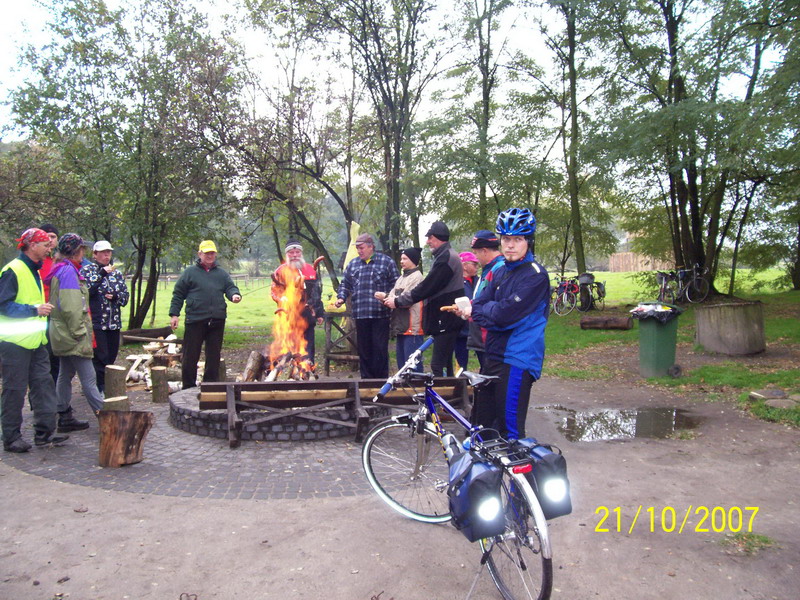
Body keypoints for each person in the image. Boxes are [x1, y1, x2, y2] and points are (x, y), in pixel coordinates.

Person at [468, 209, 550, 440]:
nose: (510, 245)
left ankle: (518, 465)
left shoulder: (535, 276)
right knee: (482, 428)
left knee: (509, 432)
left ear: (528, 241)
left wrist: (490, 312)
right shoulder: (501, 271)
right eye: (506, 239)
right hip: (493, 354)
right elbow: (479, 307)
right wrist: (491, 312)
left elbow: (503, 316)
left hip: (517, 358)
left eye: (518, 239)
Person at [0, 228, 68, 451]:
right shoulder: (13, 270)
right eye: (45, 244)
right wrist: (34, 310)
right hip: (14, 344)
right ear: (32, 245)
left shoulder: (34, 270)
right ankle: (11, 438)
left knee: (43, 387)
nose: (49, 248)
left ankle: (44, 433)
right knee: (14, 391)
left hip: (37, 343)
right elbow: (3, 304)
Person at [386, 221, 463, 377]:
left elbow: (426, 287)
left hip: (445, 318)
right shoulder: (445, 256)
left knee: (437, 365)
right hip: (446, 319)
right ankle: (450, 390)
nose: (428, 241)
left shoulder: (446, 258)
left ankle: (442, 391)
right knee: (446, 363)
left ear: (438, 238)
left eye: (430, 238)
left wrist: (398, 301)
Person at [45, 233, 104, 428]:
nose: (83, 253)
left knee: (65, 374)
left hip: (62, 333)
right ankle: (108, 420)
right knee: (89, 378)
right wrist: (80, 333)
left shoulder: (61, 268)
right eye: (82, 249)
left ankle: (63, 414)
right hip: (72, 334)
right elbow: (71, 307)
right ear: (76, 251)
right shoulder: (68, 272)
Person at [169, 240, 242, 389]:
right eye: (207, 253)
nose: (210, 256)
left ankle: (210, 386)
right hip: (195, 320)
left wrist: (235, 295)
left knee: (213, 356)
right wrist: (174, 314)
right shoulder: (190, 273)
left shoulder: (221, 274)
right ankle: (188, 387)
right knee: (190, 355)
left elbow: (230, 287)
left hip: (217, 320)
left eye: (212, 253)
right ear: (199, 254)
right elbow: (178, 294)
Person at [333, 233, 399, 379]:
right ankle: (366, 382)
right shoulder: (353, 264)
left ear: (371, 247)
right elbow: (345, 284)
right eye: (357, 248)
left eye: (361, 248)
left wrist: (387, 296)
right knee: (364, 350)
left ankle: (381, 382)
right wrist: (341, 298)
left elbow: (397, 285)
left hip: (380, 314)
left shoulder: (386, 262)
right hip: (360, 315)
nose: (359, 251)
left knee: (379, 349)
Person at [81, 240, 129, 393]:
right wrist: (101, 274)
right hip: (96, 322)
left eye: (108, 252)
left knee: (111, 356)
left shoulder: (117, 273)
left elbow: (125, 297)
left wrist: (116, 297)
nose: (106, 255)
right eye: (103, 252)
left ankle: (107, 386)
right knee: (100, 357)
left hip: (113, 322)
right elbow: (86, 292)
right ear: (95, 254)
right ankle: (99, 388)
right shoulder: (87, 271)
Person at [270, 238, 325, 362]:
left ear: (301, 253)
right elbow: (274, 292)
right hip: (288, 316)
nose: (295, 255)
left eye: (297, 252)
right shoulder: (280, 271)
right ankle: (290, 369)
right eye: (291, 252)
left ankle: (308, 369)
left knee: (308, 348)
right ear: (287, 254)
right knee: (290, 348)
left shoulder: (310, 270)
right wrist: (282, 299)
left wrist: (320, 313)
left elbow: (317, 294)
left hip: (308, 316)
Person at [377, 247, 425, 372]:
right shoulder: (401, 278)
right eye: (401, 259)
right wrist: (384, 298)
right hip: (401, 327)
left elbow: (406, 300)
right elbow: (393, 297)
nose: (401, 261)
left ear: (413, 260)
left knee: (412, 366)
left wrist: (387, 297)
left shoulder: (416, 277)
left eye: (405, 259)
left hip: (412, 328)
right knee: (402, 366)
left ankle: (418, 384)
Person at [466, 230, 504, 370]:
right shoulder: (489, 268)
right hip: (481, 332)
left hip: (489, 334)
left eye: (476, 253)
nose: (476, 258)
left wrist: (472, 308)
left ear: (484, 251)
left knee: (490, 375)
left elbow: (492, 301)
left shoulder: (498, 269)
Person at [38, 223, 61, 384]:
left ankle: (55, 391)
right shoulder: (37, 262)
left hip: (57, 314)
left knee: (56, 355)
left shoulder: (60, 260)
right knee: (43, 356)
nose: (50, 240)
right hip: (40, 314)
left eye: (53, 237)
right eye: (47, 237)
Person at [455, 251, 480, 371]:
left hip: (477, 328)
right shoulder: (455, 283)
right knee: (460, 364)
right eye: (474, 264)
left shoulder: (480, 281)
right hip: (461, 329)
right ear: (464, 266)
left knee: (485, 361)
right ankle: (461, 379)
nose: (477, 267)